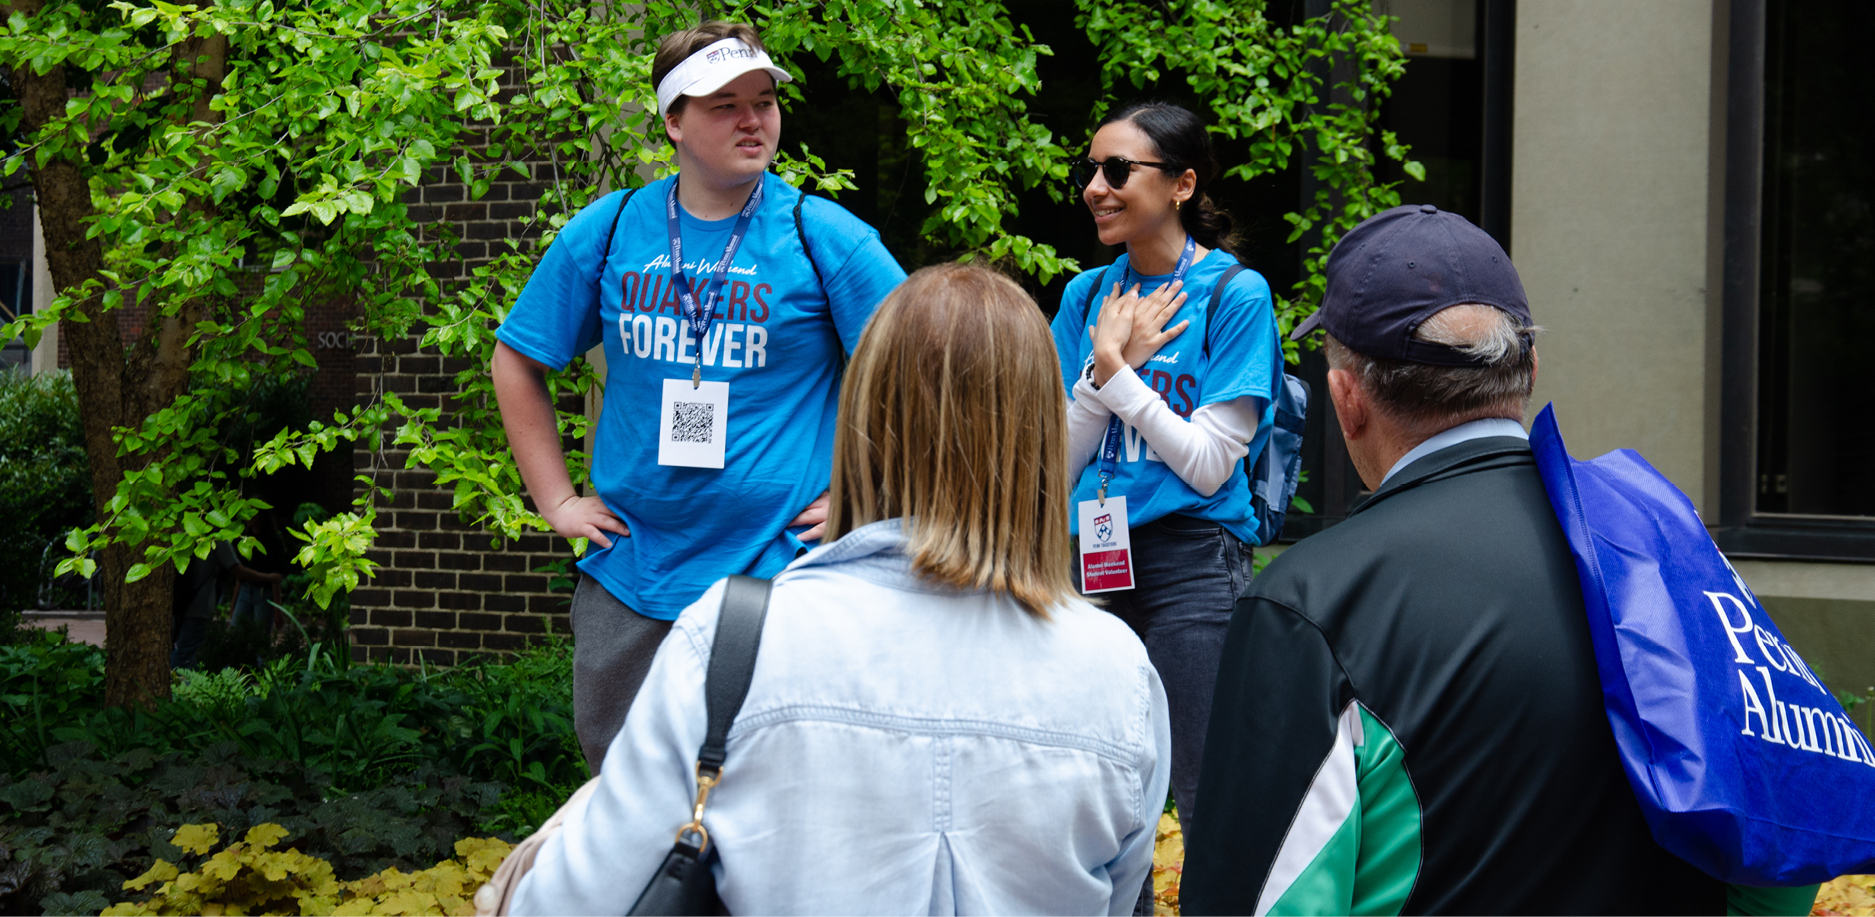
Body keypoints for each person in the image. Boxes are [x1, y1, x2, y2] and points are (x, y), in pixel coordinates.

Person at [1182, 205, 1818, 916]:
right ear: (1530, 368)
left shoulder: (1310, 601)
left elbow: (1264, 900)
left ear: (1345, 397)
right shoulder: (1669, 552)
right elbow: (1782, 847)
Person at [508, 264, 1171, 916]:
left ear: (861, 417)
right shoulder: (1120, 671)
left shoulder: (733, 639)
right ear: (1039, 434)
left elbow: (567, 901)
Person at [492, 21, 906, 773]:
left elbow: (926, 373)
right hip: (632, 569)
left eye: (764, 100)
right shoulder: (612, 228)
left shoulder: (823, 236)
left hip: (781, 571)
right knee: (625, 793)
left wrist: (868, 490)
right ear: (673, 121)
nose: (753, 120)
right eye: (723, 105)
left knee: (772, 797)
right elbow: (517, 358)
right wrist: (555, 501)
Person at [1049, 101, 1282, 849]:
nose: (1095, 187)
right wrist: (1100, 370)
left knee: (1203, 786)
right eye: (1089, 169)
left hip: (1193, 558)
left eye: (1117, 170)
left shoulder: (1232, 294)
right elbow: (1051, 461)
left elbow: (1211, 463)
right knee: (1099, 785)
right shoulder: (1087, 296)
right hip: (1091, 555)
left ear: (1181, 184)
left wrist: (1117, 373)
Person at [170, 542, 284, 671]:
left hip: (180, 605)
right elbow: (238, 571)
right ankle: (171, 686)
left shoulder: (188, 535)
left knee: (186, 652)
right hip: (199, 608)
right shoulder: (217, 540)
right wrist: (269, 578)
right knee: (185, 654)